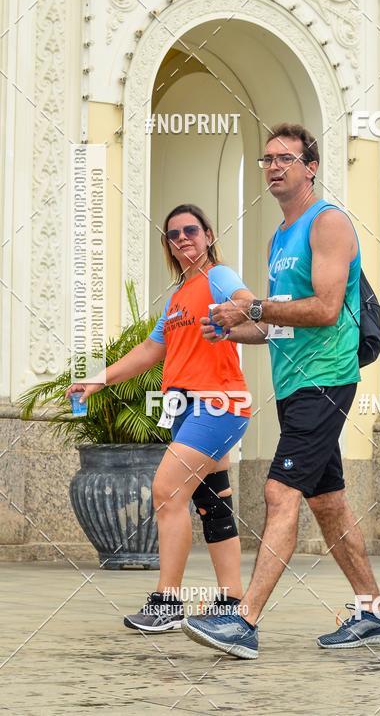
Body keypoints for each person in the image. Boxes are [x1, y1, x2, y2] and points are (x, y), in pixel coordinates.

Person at [182, 123, 380, 659]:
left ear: (311, 167)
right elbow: (284, 322)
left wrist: (251, 307)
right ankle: (374, 613)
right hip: (293, 381)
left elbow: (325, 310)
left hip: (326, 378)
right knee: (328, 502)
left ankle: (245, 622)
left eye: (286, 158)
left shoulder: (327, 224)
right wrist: (235, 328)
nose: (274, 166)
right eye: (267, 159)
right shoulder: (281, 235)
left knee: (280, 492)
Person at [66, 204, 255, 632]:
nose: (183, 238)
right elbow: (152, 351)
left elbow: (246, 302)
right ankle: (231, 601)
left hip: (218, 404)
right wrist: (98, 380)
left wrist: (238, 313)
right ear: (168, 245)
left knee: (167, 492)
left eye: (191, 230)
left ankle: (168, 602)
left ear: (208, 235)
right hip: (187, 409)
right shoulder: (176, 297)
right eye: (174, 234)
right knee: (213, 505)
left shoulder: (218, 277)